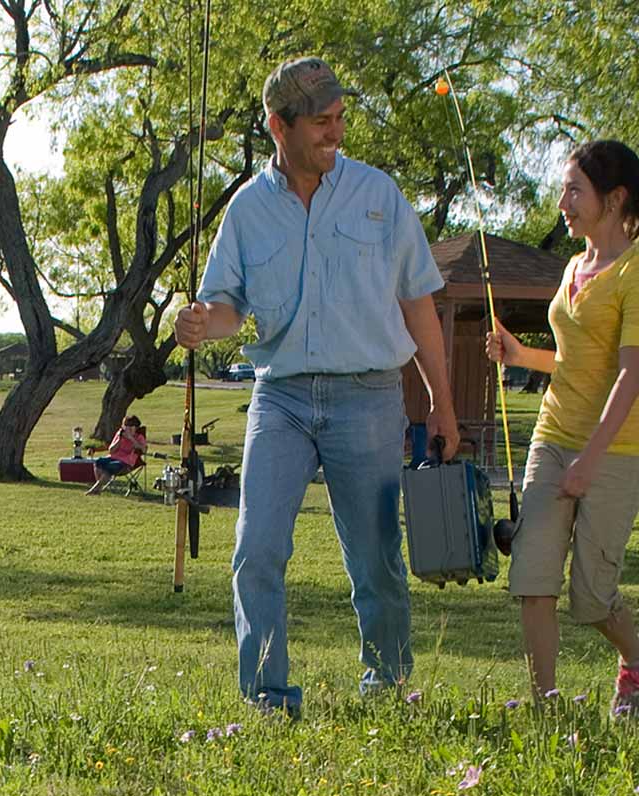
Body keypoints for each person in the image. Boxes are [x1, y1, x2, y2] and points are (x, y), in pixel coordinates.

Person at [174, 56, 461, 717]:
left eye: (339, 119)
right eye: (321, 121)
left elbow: (420, 303)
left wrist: (442, 404)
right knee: (257, 548)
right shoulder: (247, 209)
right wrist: (200, 321)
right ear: (280, 125)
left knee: (376, 560)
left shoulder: (377, 196)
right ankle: (268, 696)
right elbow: (226, 308)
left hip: (369, 395)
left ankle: (386, 688)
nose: (335, 131)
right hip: (281, 397)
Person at [485, 139, 639, 716]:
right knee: (533, 578)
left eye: (573, 190)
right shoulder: (573, 266)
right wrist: (520, 355)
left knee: (590, 597)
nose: (562, 201)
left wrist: (591, 458)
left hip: (614, 449)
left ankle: (637, 658)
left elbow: (629, 372)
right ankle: (545, 704)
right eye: (564, 189)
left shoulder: (638, 270)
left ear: (613, 200)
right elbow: (571, 360)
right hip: (552, 434)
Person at [86, 416, 148, 496]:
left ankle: (95, 489)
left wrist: (131, 439)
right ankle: (98, 488)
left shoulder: (139, 437)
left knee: (110, 467)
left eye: (130, 426)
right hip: (112, 457)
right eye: (125, 426)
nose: (127, 428)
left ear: (135, 428)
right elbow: (111, 450)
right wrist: (119, 439)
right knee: (98, 462)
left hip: (126, 462)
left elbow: (144, 450)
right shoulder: (119, 434)